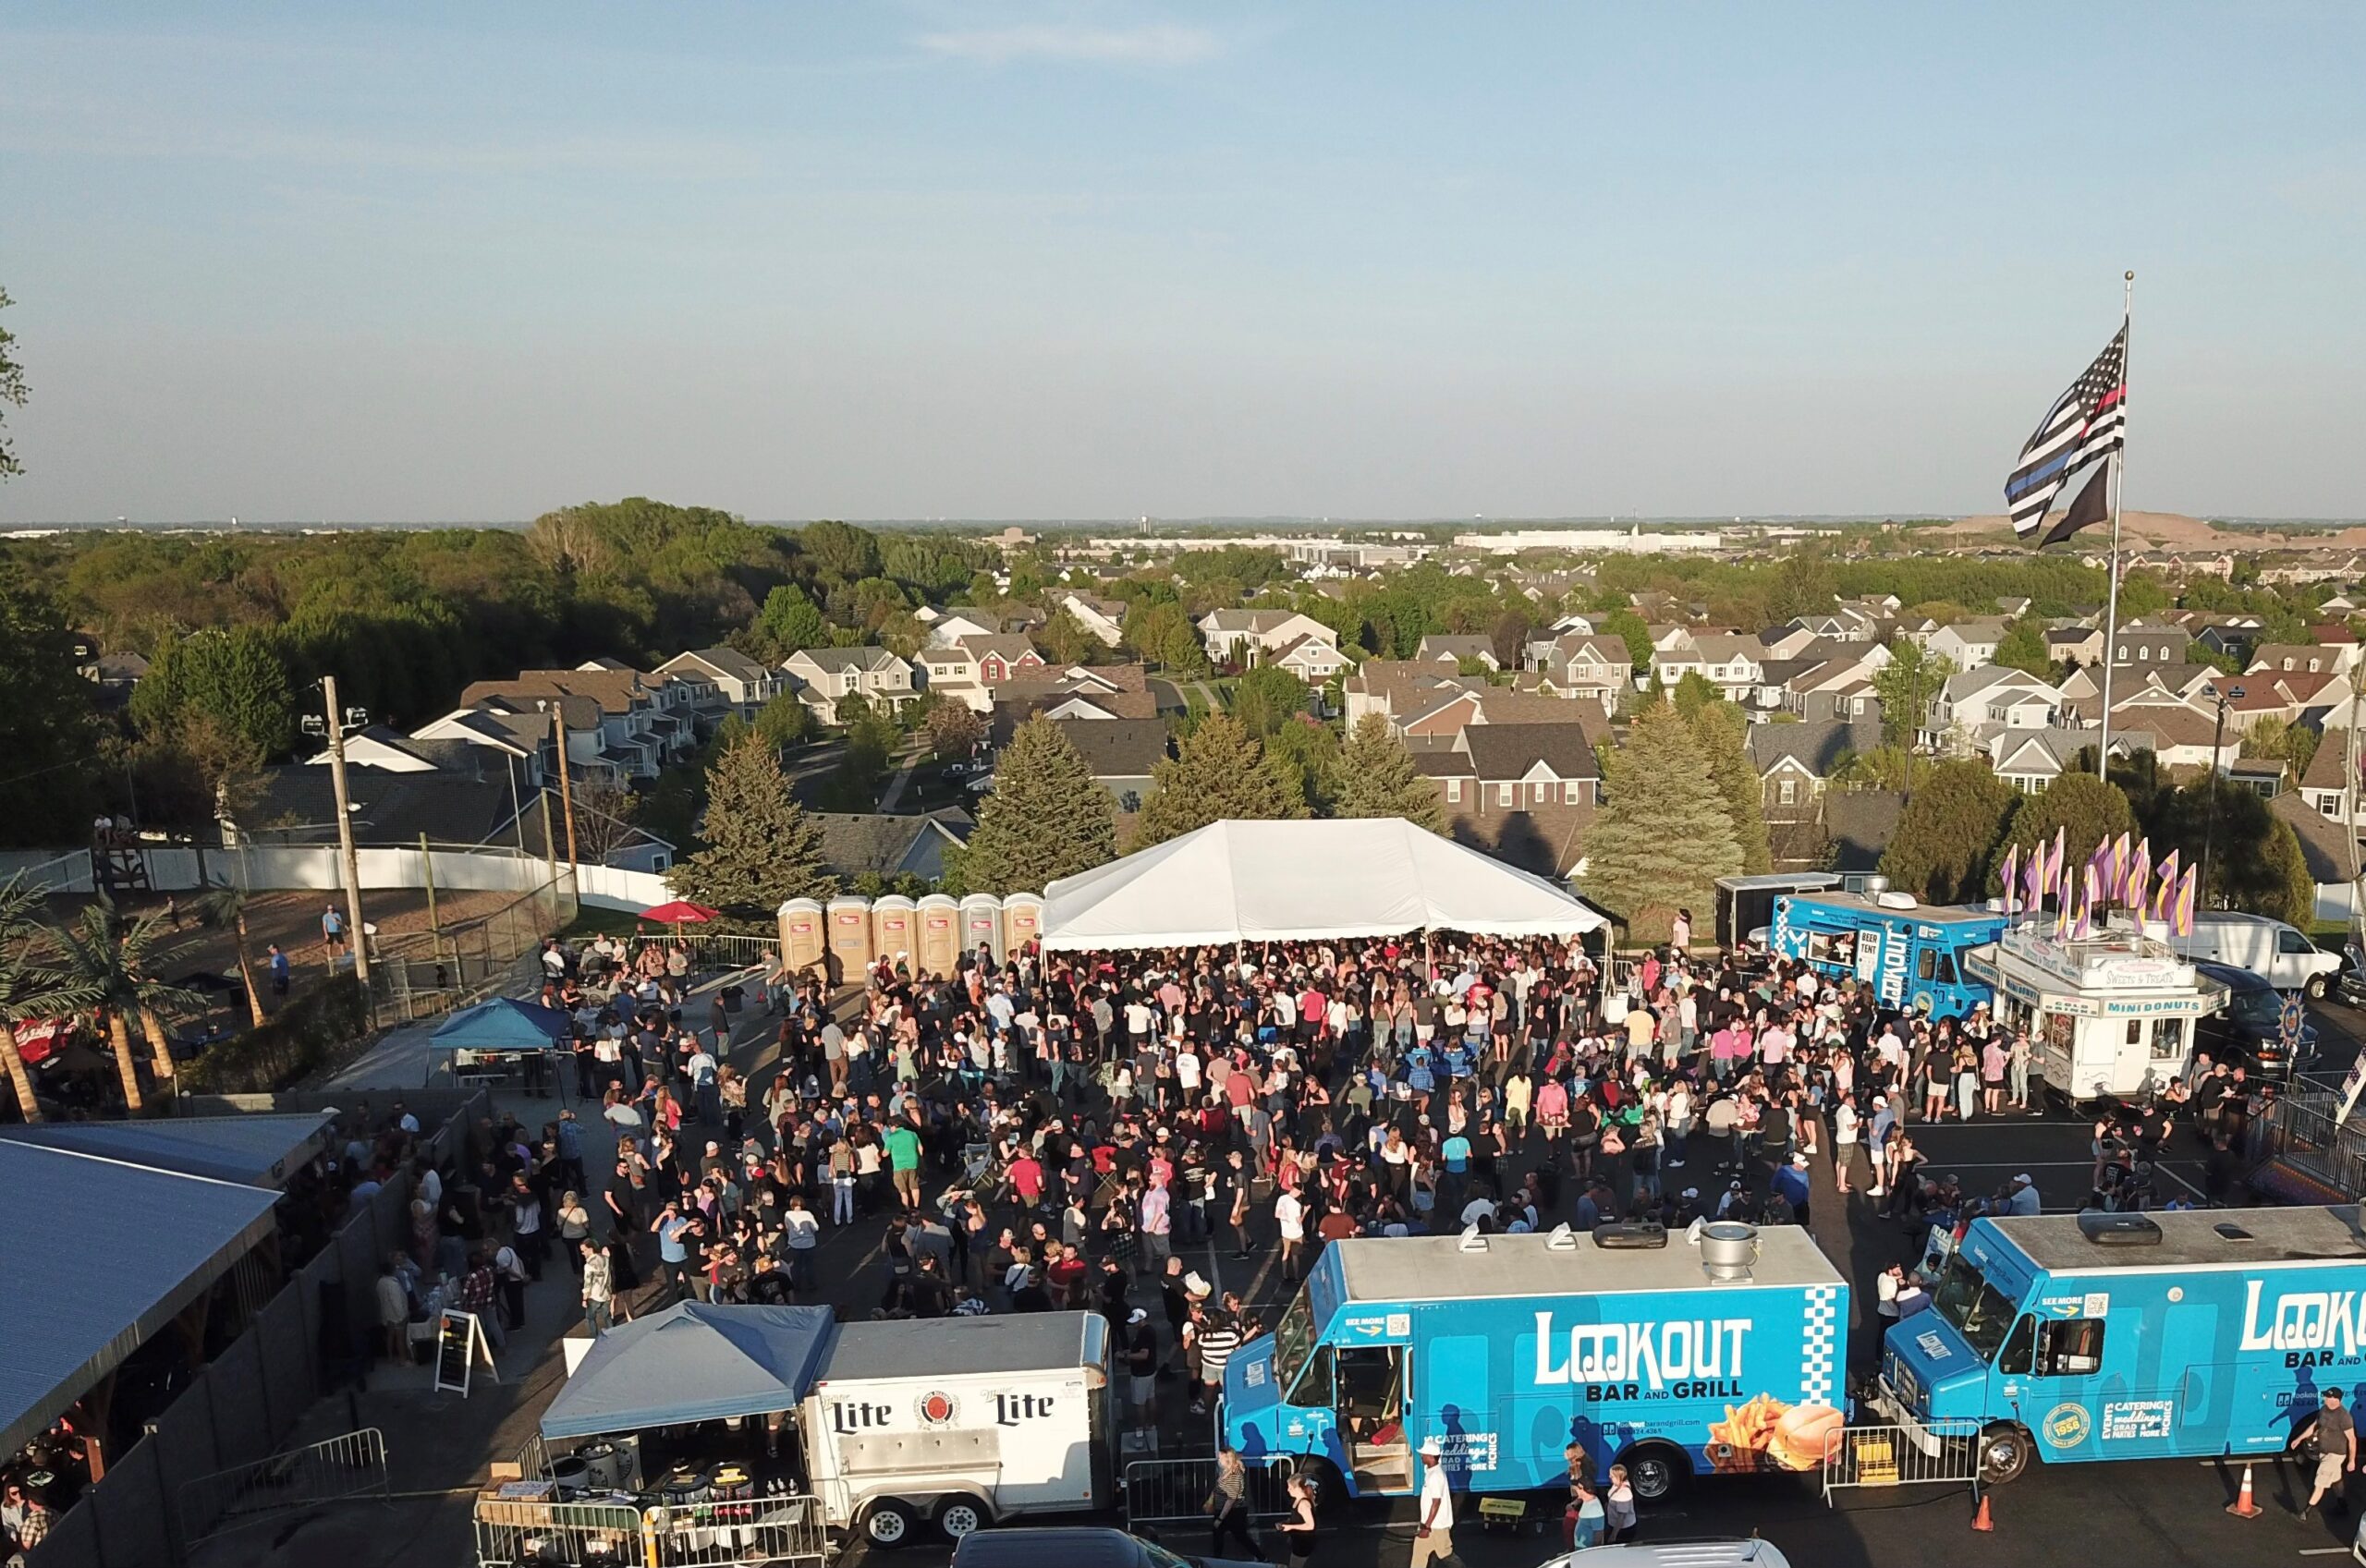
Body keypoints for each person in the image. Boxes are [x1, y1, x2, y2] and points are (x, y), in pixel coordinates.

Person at [2300, 1386, 2356, 1520]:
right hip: (2324, 1452)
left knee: (2320, 1483)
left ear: (2335, 1400)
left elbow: (2352, 1439)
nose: (2324, 1398)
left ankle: (2306, 1511)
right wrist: (2299, 1439)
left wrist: (2351, 1460)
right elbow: (2315, 1425)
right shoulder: (2324, 1410)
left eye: (2327, 1396)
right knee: (2336, 1480)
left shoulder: (2344, 1416)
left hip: (2335, 1455)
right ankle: (2343, 1506)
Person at [1207, 1446, 1265, 1562]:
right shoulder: (1226, 1472)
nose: (1218, 1460)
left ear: (1227, 1459)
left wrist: (1220, 1518)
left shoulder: (1234, 1475)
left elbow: (1231, 1498)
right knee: (1220, 1535)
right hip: (1225, 1509)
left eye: (1220, 1458)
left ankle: (1261, 1557)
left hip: (1233, 1511)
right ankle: (1217, 1559)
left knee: (1240, 1536)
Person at [1410, 1434, 1456, 1568]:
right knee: (1419, 1554)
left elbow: (1436, 1502)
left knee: (1445, 1555)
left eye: (1423, 1454)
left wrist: (1427, 1527)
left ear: (1430, 1456)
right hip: (1430, 1524)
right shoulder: (1431, 1472)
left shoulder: (1435, 1476)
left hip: (1437, 1527)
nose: (1421, 1456)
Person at [1274, 1472, 1319, 1568]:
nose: (1288, 1490)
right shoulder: (1296, 1501)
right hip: (1299, 1540)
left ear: (1298, 1488)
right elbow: (1297, 1518)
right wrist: (1286, 1523)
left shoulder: (1303, 1504)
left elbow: (1310, 1525)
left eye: (1290, 1488)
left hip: (1304, 1542)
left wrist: (1290, 1527)